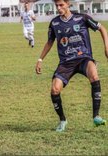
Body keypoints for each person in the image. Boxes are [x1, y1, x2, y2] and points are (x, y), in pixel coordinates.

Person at [35, 0, 107, 132]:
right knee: (55, 90)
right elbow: (50, 42)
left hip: (83, 58)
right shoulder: (55, 23)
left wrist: (106, 48)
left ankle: (96, 116)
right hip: (66, 62)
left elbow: (102, 28)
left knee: (94, 75)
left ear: (68, 4)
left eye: (61, 5)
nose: (58, 8)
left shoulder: (82, 18)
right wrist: (40, 59)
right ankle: (62, 120)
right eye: (56, 5)